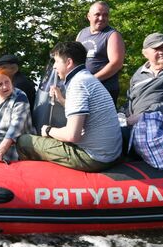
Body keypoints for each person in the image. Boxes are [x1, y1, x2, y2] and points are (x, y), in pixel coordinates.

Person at [16, 42, 122, 172]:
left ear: (69, 62)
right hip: (111, 155)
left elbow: (73, 136)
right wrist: (61, 100)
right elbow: (84, 115)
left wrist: (48, 130)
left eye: (56, 61)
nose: (54, 67)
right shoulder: (89, 79)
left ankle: (33, 181)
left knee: (24, 141)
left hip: (94, 158)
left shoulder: (78, 84)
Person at [76, 1, 126, 104]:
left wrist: (92, 79)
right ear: (89, 16)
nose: (101, 18)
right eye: (97, 14)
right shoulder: (82, 33)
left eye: (105, 15)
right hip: (82, 88)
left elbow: (116, 63)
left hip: (104, 89)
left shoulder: (112, 35)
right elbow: (73, 57)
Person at [0, 68, 35, 162]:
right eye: (0, 84)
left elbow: (16, 127)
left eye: (7, 82)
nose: (5, 87)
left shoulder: (20, 97)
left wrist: (2, 148)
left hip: (18, 141)